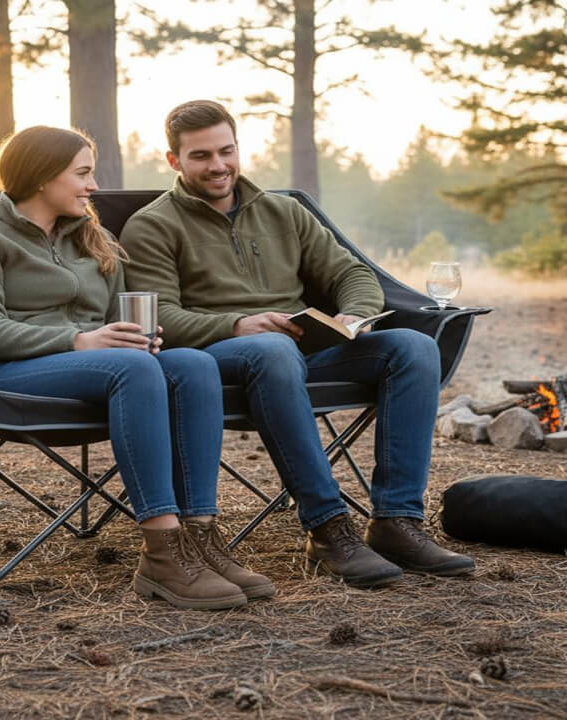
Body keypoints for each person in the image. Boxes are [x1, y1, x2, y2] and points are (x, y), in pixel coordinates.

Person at [119, 100, 475, 588]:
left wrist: (355, 313)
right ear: (174, 161)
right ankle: (327, 528)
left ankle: (397, 521)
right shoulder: (153, 225)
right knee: (273, 349)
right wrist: (237, 325)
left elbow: (351, 272)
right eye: (201, 156)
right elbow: (161, 316)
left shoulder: (283, 211)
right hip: (219, 358)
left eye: (226, 151)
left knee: (413, 348)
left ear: (238, 149)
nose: (218, 165)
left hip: (301, 347)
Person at [0, 124, 274, 609]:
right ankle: (163, 552)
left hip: (94, 367)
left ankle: (201, 539)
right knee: (130, 369)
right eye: (83, 174)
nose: (94, 186)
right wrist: (80, 340)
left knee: (193, 364)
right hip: (1, 375)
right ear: (40, 177)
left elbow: (116, 320)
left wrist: (135, 336)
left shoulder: (93, 238)